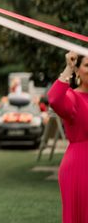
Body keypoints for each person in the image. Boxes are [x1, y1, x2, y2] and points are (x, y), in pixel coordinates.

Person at [48, 50, 88, 223]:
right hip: (80, 167)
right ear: (78, 70)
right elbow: (55, 99)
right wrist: (67, 69)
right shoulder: (73, 97)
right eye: (87, 65)